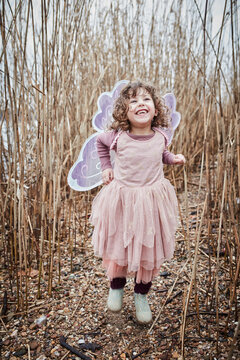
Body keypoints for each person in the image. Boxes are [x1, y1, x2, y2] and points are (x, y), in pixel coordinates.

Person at [90, 81, 185, 324]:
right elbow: (99, 143)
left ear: (155, 110)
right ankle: (116, 286)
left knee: (147, 249)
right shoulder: (118, 137)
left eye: (146, 100)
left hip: (151, 201)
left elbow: (159, 154)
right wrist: (106, 168)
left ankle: (141, 296)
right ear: (124, 112)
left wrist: (172, 159)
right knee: (119, 244)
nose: (140, 104)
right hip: (123, 199)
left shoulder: (160, 136)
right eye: (133, 101)